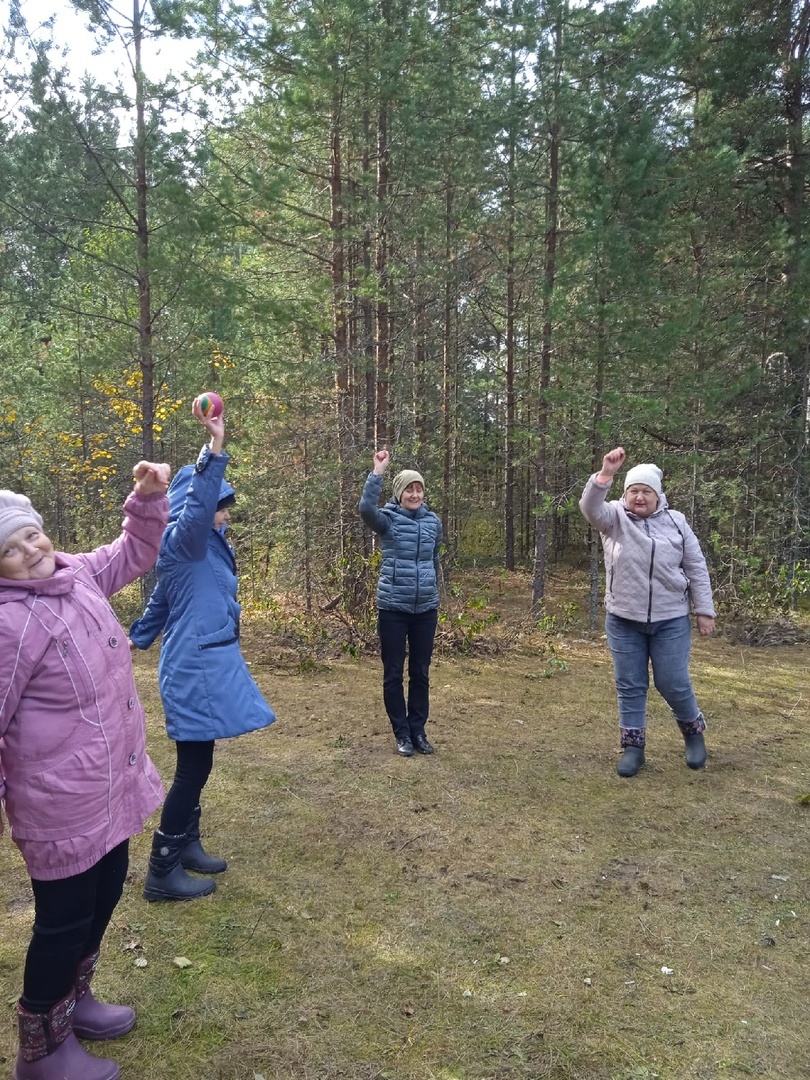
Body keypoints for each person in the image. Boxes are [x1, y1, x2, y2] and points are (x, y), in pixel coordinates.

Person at [0, 462, 171, 1080]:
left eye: (31, 535)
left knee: (102, 897)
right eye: (9, 550)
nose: (30, 552)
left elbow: (134, 552)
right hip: (59, 804)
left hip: (111, 786)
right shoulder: (6, 623)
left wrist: (148, 499)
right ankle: (40, 1051)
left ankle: (74, 1007)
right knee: (62, 919)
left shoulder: (77, 575)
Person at [130, 401, 276, 901]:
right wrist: (214, 448)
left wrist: (136, 637)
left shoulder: (205, 544)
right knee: (193, 768)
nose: (225, 511)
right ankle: (162, 870)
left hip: (203, 662)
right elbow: (195, 509)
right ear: (197, 504)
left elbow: (163, 600)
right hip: (196, 669)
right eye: (220, 503)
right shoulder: (186, 539)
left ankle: (187, 844)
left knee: (201, 762)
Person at [579, 446, 716, 778]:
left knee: (673, 682)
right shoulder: (613, 518)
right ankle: (633, 747)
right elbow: (589, 507)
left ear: (658, 495)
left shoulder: (676, 522)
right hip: (624, 620)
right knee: (630, 684)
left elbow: (696, 567)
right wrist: (606, 475)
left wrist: (705, 610)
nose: (639, 497)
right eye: (633, 491)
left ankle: (694, 734)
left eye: (646, 491)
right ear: (625, 495)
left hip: (671, 619)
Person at [359, 448, 443, 757]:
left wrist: (435, 594)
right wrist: (377, 472)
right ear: (399, 493)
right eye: (410, 488)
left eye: (419, 488)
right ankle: (402, 733)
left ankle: (419, 731)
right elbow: (366, 508)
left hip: (425, 610)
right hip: (393, 608)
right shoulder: (388, 521)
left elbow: (435, 561)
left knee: (420, 672)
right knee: (393, 672)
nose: (415, 493)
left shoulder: (434, 523)